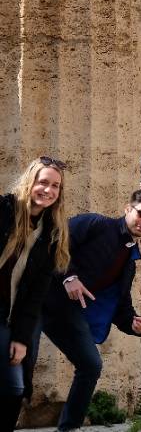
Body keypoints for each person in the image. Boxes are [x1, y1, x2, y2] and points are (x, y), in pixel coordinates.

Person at [38, 189, 141, 431]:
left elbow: (120, 304)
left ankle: (68, 428)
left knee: (90, 366)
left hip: (66, 314)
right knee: (18, 373)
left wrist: (136, 324)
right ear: (128, 209)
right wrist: (69, 277)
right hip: (37, 300)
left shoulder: (130, 258)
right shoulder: (95, 223)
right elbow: (54, 240)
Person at [0, 157, 70, 431]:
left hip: (8, 315)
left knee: (15, 386)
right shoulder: (4, 208)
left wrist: (21, 338)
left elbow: (35, 296)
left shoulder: (52, 233)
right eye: (43, 182)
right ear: (30, 182)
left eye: (55, 186)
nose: (48, 190)